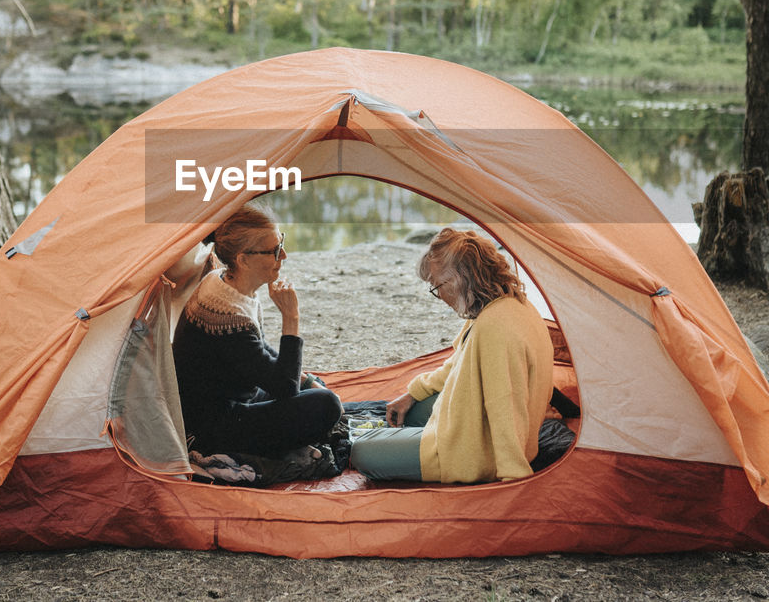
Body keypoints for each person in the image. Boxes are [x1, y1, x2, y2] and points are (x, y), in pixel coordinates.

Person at [350, 228, 556, 483]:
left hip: (476, 454)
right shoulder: (506, 306)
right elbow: (457, 365)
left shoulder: (495, 327)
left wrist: (512, 474)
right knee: (410, 413)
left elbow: (506, 405)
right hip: (474, 426)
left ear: (461, 279)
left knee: (361, 451)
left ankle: (434, 451)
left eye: (437, 286)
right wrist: (413, 393)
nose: (439, 297)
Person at [172, 204, 342, 459]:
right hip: (215, 426)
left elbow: (258, 353)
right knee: (326, 406)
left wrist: (304, 380)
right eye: (274, 250)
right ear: (243, 259)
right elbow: (285, 388)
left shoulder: (222, 281)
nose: (283, 255)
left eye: (281, 243)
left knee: (312, 385)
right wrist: (291, 318)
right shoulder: (227, 316)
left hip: (234, 396)